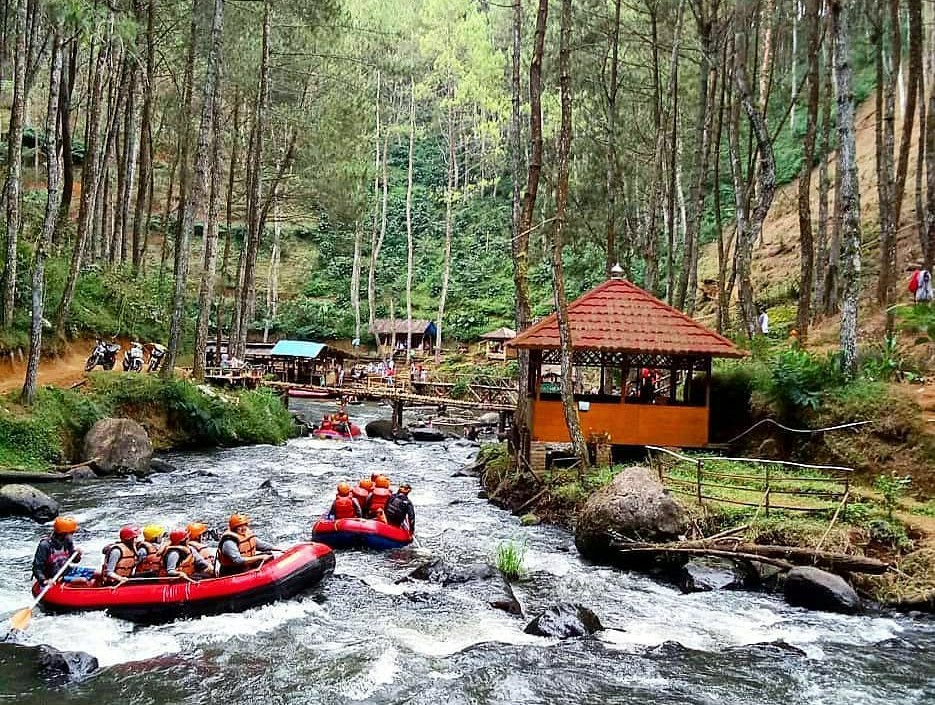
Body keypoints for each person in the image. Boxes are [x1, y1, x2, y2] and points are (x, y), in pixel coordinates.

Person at [32, 516, 95, 587]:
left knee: (97, 573)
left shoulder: (68, 541)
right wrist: (44, 580)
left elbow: (75, 560)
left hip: (68, 570)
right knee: (83, 581)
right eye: (71, 532)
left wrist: (77, 554)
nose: (73, 534)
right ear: (63, 534)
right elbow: (37, 568)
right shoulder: (45, 545)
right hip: (55, 577)